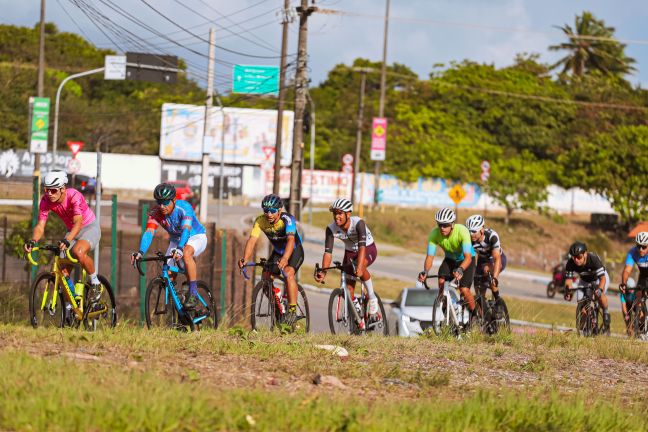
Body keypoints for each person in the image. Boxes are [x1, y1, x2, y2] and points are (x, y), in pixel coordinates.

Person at [24, 171, 103, 301]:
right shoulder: (45, 200)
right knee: (62, 269)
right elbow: (40, 226)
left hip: (89, 228)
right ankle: (71, 305)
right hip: (72, 231)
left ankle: (95, 283)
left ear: (62, 189)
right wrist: (33, 241)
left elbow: (78, 222)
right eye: (47, 190)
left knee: (78, 251)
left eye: (53, 191)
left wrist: (67, 240)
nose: (49, 194)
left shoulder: (74, 196)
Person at [131, 183, 207, 309]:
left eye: (165, 202)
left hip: (195, 236)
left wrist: (180, 248)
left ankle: (193, 293)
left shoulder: (185, 207)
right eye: (159, 202)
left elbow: (186, 230)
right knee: (168, 278)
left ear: (174, 200)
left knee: (187, 253)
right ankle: (181, 313)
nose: (162, 206)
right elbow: (149, 232)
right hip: (176, 241)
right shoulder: (155, 212)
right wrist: (140, 252)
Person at [238, 194, 304, 325]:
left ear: (279, 210)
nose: (269, 214)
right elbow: (252, 240)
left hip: (294, 250)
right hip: (278, 252)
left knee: (288, 273)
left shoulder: (287, 219)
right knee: (265, 279)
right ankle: (278, 302)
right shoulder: (260, 221)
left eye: (273, 211)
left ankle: (292, 310)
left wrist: (285, 258)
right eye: (266, 211)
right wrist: (245, 258)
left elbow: (291, 240)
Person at [314, 198, 380, 325]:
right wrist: (323, 271)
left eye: (339, 213)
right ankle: (356, 307)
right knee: (347, 288)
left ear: (348, 214)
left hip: (367, 248)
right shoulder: (331, 229)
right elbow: (328, 253)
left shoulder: (358, 223)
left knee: (360, 268)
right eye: (334, 213)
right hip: (349, 252)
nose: (336, 217)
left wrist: (359, 267)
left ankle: (372, 298)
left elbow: (362, 248)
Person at [418, 208, 476, 314]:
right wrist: (425, 272)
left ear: (452, 224)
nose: (442, 228)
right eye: (439, 224)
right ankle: (445, 307)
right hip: (450, 259)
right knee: (441, 281)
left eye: (445, 225)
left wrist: (461, 269)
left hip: (466, 259)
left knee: (464, 289)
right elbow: (430, 257)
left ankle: (475, 314)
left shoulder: (462, 231)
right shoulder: (434, 234)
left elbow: (468, 257)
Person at [563, 241, 611, 332]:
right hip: (585, 280)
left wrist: (600, 289)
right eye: (574, 257)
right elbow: (568, 281)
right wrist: (568, 291)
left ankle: (605, 312)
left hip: (599, 278)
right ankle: (583, 329)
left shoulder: (593, 259)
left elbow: (603, 279)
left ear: (585, 254)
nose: (576, 260)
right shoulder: (570, 263)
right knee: (581, 303)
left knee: (598, 295)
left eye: (579, 257)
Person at [465, 214, 506, 299]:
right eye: (469, 231)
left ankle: (498, 301)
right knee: (478, 288)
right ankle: (484, 309)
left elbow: (497, 258)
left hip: (497, 259)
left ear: (482, 229)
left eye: (474, 231)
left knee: (487, 272)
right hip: (482, 260)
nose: (471, 234)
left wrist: (495, 278)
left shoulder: (492, 236)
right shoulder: (468, 239)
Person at [618, 232, 648, 335]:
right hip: (643, 276)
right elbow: (627, 271)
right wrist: (623, 283)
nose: (640, 249)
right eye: (638, 246)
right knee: (638, 300)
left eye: (644, 247)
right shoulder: (632, 253)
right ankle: (641, 325)